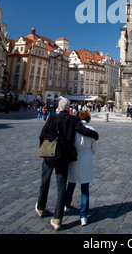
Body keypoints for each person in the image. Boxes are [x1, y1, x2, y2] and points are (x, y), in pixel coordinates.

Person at [35, 98, 99, 231]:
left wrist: (43, 147)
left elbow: (42, 135)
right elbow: (84, 131)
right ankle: (57, 219)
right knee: (61, 187)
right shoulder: (72, 119)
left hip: (49, 154)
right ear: (69, 108)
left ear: (59, 107)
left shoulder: (52, 118)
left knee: (44, 182)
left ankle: (41, 208)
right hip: (63, 156)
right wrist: (95, 135)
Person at [65, 111, 97, 226]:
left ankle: (66, 205)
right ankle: (83, 216)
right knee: (85, 188)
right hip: (86, 159)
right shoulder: (91, 129)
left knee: (71, 184)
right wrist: (88, 153)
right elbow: (94, 149)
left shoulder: (73, 129)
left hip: (74, 158)